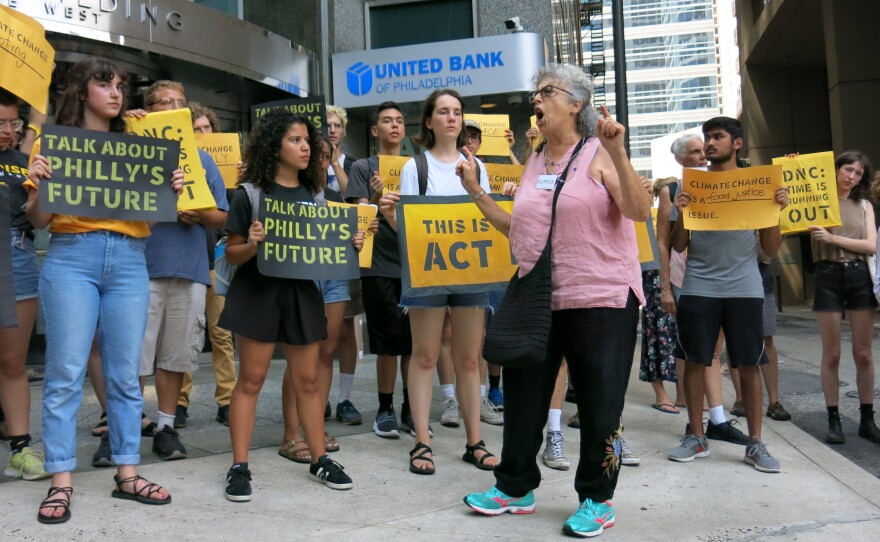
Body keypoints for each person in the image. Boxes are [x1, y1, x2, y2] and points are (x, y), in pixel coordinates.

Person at [461, 64, 651, 538]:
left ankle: (597, 499)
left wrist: (619, 151)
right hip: (539, 296)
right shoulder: (536, 160)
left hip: (601, 296)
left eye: (547, 92)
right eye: (536, 93)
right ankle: (515, 486)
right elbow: (522, 228)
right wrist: (476, 194)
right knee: (525, 396)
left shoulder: (598, 153)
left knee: (599, 403)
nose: (537, 101)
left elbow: (638, 210)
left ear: (576, 104)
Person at [25, 57, 181, 523]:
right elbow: (37, 220)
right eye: (104, 84)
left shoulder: (137, 142)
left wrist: (168, 192)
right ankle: (61, 480)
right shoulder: (53, 144)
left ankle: (127, 472)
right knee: (65, 372)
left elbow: (149, 218)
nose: (116, 93)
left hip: (131, 258)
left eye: (120, 86)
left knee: (126, 374)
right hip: (71, 254)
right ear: (81, 90)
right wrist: (39, 189)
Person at [220, 110, 361, 502]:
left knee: (309, 381)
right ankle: (239, 466)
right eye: (296, 141)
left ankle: (319, 459)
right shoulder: (249, 194)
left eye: (307, 141)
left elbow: (329, 252)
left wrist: (350, 247)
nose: (305, 148)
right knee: (250, 379)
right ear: (274, 147)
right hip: (257, 293)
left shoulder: (317, 197)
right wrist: (251, 243)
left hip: (301, 294)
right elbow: (232, 255)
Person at [380, 88, 499, 475]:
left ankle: (474, 441)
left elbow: (491, 219)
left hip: (471, 272)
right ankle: (422, 441)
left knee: (468, 358)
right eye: (443, 112)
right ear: (429, 121)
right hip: (428, 272)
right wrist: (391, 218)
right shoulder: (416, 167)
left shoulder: (477, 167)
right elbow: (409, 230)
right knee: (426, 355)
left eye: (457, 112)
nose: (452, 118)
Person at [667, 116, 788, 473]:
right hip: (699, 286)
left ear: (736, 143)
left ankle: (755, 442)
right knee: (695, 361)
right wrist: (681, 213)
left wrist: (775, 212)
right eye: (707, 137)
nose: (709, 143)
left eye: (717, 136)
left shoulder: (758, 185)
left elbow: (769, 246)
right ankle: (696, 435)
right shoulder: (693, 186)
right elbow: (678, 245)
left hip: (744, 288)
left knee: (749, 363)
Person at [135, 81, 228, 461]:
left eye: (180, 103)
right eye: (166, 102)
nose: (176, 107)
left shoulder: (202, 161)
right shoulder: (133, 152)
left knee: (175, 356)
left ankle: (167, 426)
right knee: (133, 355)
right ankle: (123, 425)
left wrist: (198, 214)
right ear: (149, 109)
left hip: (189, 269)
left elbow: (220, 214)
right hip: (140, 267)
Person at [346, 102, 413, 438]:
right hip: (379, 265)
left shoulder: (417, 166)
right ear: (375, 130)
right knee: (387, 342)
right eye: (387, 121)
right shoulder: (363, 167)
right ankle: (384, 408)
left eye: (399, 121)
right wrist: (373, 198)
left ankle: (410, 407)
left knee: (415, 343)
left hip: (414, 264)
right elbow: (360, 218)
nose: (394, 126)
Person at [176, 101, 237, 428]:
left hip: (218, 259)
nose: (200, 134)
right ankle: (180, 401)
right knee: (184, 334)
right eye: (194, 129)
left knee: (222, 334)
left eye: (205, 128)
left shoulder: (223, 169)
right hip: (189, 256)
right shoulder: (181, 162)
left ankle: (226, 400)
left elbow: (232, 211)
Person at [812, 151, 880, 444]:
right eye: (848, 169)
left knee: (863, 353)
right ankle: (834, 418)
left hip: (858, 276)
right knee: (833, 353)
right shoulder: (816, 200)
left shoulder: (864, 205)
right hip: (827, 275)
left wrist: (833, 239)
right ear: (836, 169)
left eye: (858, 173)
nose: (852, 176)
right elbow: (789, 220)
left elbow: (870, 245)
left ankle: (867, 418)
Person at [0, 88, 49, 481]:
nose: (7, 131)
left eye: (12, 123)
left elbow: (39, 220)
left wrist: (37, 185)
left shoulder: (24, 161)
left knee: (13, 362)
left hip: (17, 257)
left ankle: (19, 447)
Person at [325, 104, 364, 425]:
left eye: (337, 125)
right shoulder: (307, 160)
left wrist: (335, 163)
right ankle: (320, 396)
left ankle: (345, 397)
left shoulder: (352, 164)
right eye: (327, 124)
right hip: (314, 255)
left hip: (346, 252)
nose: (332, 129)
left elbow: (352, 196)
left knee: (347, 326)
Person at [640, 177, 681, 414]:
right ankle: (661, 394)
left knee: (679, 336)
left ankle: (683, 394)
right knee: (657, 332)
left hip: (677, 272)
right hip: (653, 274)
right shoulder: (648, 212)